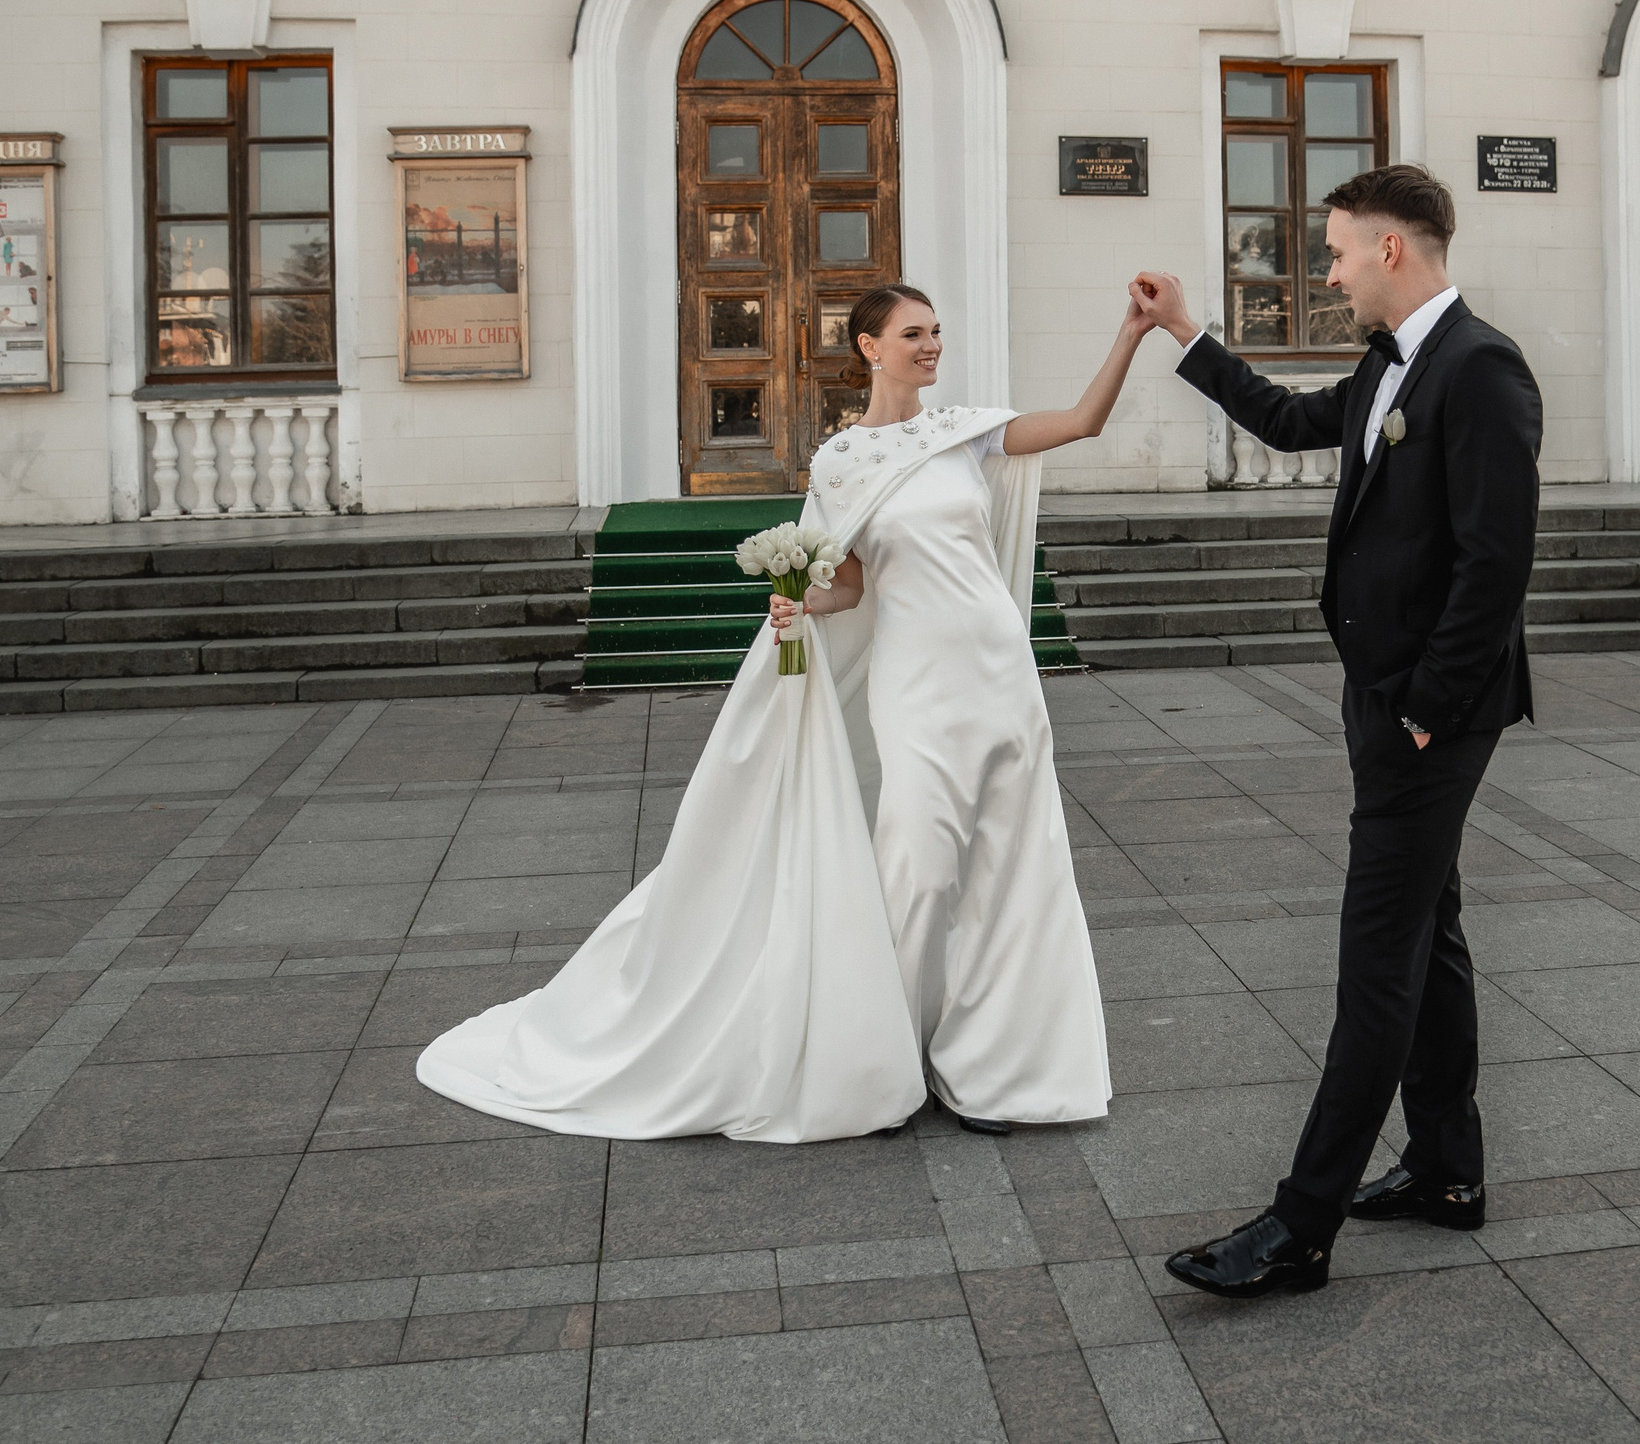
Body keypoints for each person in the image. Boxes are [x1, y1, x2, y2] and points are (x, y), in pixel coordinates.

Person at [419, 283, 1156, 1142]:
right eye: (913, 334)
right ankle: (884, 1057)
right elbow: (849, 582)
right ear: (870, 348)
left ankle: (996, 1068)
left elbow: (1081, 421)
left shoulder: (966, 433)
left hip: (1001, 673)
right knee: (918, 864)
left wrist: (1132, 333)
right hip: (918, 682)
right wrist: (799, 600)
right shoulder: (842, 463)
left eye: (937, 333)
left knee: (1014, 868)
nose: (931, 346)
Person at [1133, 162, 1542, 1301]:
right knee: (1432, 930)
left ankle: (1300, 1226)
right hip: (1386, 695)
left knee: (1377, 963)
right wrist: (1185, 332)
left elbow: (1495, 563)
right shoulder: (1384, 366)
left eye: (1337, 250)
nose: (1328, 269)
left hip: (1431, 712)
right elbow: (1287, 417)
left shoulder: (1481, 368)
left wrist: (1421, 708)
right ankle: (1447, 1172)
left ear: (1392, 250)